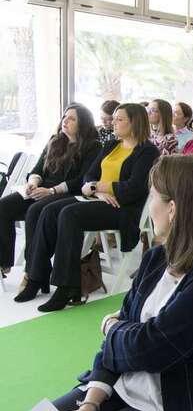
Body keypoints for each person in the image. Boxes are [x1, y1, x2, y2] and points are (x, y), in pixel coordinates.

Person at [50, 155, 193, 411]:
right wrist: (91, 402)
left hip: (171, 406)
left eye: (153, 196)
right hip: (120, 387)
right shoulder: (157, 258)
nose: (149, 206)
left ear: (173, 208)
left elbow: (152, 348)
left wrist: (111, 327)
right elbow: (127, 337)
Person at [18, 104, 160, 310]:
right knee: (49, 211)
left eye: (119, 119)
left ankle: (67, 286)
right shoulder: (111, 145)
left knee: (69, 214)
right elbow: (89, 176)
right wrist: (97, 190)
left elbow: (134, 188)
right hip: (98, 198)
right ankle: (35, 277)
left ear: (134, 123)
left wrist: (99, 186)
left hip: (122, 207)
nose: (113, 123)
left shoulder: (147, 151)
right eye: (114, 118)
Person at [0, 104, 100, 277]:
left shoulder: (93, 147)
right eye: (65, 117)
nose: (65, 121)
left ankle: (32, 270)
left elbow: (82, 180)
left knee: (34, 211)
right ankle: (4, 262)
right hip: (42, 189)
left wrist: (51, 191)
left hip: (66, 193)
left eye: (72, 119)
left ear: (83, 123)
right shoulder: (55, 140)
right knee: (3, 206)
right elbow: (38, 169)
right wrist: (33, 183)